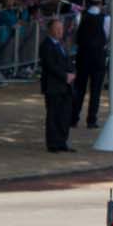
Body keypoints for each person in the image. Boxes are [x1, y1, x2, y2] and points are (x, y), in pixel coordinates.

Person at [40, 15, 76, 151]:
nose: (60, 31)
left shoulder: (62, 44)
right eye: (57, 29)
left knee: (65, 115)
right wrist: (64, 75)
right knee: (53, 115)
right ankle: (53, 143)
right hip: (53, 85)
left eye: (61, 28)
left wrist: (72, 73)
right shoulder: (46, 45)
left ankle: (62, 141)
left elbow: (68, 61)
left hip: (66, 86)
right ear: (50, 30)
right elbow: (50, 65)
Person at [75, 0, 107, 123]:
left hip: (83, 55)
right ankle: (92, 118)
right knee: (95, 89)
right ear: (100, 2)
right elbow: (107, 36)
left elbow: (77, 34)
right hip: (98, 56)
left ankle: (73, 116)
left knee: (79, 88)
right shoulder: (106, 19)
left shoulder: (80, 16)